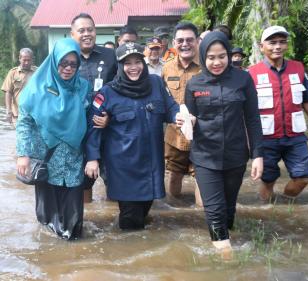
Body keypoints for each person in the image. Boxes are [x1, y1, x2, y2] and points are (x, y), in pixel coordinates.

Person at [184, 31, 263, 258]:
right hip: (204, 156)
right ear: (203, 57)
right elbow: (190, 117)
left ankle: (227, 236)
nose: (216, 62)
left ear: (229, 55)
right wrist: (187, 120)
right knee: (215, 209)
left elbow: (253, 119)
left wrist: (258, 154)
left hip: (236, 156)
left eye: (221, 56)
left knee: (228, 208)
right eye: (210, 57)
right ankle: (225, 257)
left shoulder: (243, 79)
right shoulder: (194, 83)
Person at [85, 42, 180, 230]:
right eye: (127, 63)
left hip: (152, 163)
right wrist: (93, 158)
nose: (133, 67)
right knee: (130, 219)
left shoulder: (156, 83)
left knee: (144, 210)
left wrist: (180, 116)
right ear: (120, 66)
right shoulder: (107, 93)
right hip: (123, 167)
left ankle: (136, 247)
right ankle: (127, 251)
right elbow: (93, 127)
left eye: (138, 62)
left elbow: (171, 107)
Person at [16, 38, 90, 240]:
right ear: (54, 61)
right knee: (48, 218)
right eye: (63, 63)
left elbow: (91, 121)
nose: (68, 68)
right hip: (47, 159)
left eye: (73, 64)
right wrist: (23, 154)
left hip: (73, 158)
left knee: (74, 222)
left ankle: (73, 257)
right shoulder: (36, 89)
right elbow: (25, 123)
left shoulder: (83, 87)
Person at [248, 25, 308, 201]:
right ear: (261, 46)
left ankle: (286, 201)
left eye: (282, 42)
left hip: (295, 137)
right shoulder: (251, 73)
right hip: (266, 138)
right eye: (272, 43)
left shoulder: (298, 69)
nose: (277, 47)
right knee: (268, 179)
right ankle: (268, 212)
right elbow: (246, 109)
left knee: (304, 176)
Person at [71, 13, 117, 202]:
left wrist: (111, 118)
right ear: (72, 33)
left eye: (90, 29)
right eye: (81, 30)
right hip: (78, 132)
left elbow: (120, 90)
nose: (86, 34)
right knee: (83, 182)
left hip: (107, 130)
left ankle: (116, 227)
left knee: (113, 179)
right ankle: (86, 220)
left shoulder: (110, 56)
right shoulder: (68, 58)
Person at [162, 22, 202, 206]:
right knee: (173, 174)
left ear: (197, 41)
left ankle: (203, 219)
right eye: (180, 40)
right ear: (173, 42)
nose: (185, 44)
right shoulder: (167, 68)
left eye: (189, 40)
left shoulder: (208, 66)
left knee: (202, 175)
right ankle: (175, 217)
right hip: (174, 136)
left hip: (203, 134)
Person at [1, 48, 37, 127]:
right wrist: (8, 111)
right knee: (21, 137)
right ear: (19, 59)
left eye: (29, 60)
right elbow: (8, 92)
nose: (26, 63)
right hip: (17, 114)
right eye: (24, 60)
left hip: (34, 114)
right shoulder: (13, 73)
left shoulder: (38, 72)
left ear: (33, 59)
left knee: (34, 138)